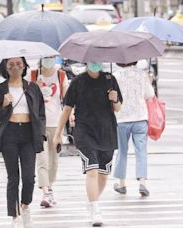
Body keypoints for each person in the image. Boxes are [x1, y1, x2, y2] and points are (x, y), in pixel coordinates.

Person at [53, 62, 123, 227]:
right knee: (91, 169)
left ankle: (93, 201)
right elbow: (67, 109)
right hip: (85, 132)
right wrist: (58, 134)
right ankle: (95, 209)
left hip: (107, 131)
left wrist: (115, 99)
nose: (95, 63)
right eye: (92, 61)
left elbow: (118, 107)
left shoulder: (109, 79)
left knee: (103, 174)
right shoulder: (78, 81)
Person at [0, 57, 45, 228]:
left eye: (19, 63)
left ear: (25, 66)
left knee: (29, 178)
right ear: (5, 67)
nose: (15, 67)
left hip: (28, 134)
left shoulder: (32, 88)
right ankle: (15, 216)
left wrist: (40, 132)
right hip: (9, 135)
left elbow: (41, 113)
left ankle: (25, 206)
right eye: (11, 64)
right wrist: (3, 105)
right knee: (13, 178)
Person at [112, 62, 155, 197]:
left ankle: (122, 184)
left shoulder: (115, 76)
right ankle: (142, 182)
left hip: (122, 118)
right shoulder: (142, 75)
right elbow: (150, 95)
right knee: (141, 151)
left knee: (122, 151)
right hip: (140, 117)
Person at [35, 56, 68, 207]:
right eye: (46, 57)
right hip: (38, 124)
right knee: (42, 160)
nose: (48, 60)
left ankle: (50, 188)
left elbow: (67, 100)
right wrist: (35, 86)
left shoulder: (61, 75)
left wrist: (71, 117)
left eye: (51, 57)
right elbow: (27, 98)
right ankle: (46, 192)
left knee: (53, 162)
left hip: (56, 123)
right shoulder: (33, 74)